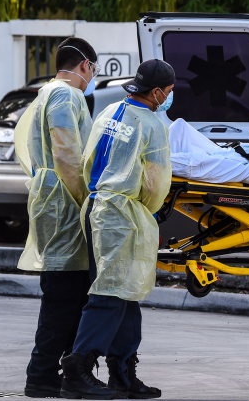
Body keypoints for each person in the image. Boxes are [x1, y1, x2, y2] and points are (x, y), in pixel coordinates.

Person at [59, 59, 174, 400]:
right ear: (156, 92)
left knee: (127, 294)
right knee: (109, 294)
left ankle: (123, 374)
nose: (168, 97)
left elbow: (87, 161)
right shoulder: (152, 126)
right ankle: (78, 370)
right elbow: (155, 185)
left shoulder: (109, 112)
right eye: (168, 92)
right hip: (122, 214)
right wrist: (145, 212)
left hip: (96, 206)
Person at [13, 37, 100, 398]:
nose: (92, 77)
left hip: (51, 201)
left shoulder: (44, 94)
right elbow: (68, 155)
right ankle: (43, 375)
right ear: (85, 65)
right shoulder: (67, 95)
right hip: (65, 205)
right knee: (64, 297)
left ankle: (63, 374)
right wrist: (88, 202)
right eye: (93, 70)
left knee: (69, 293)